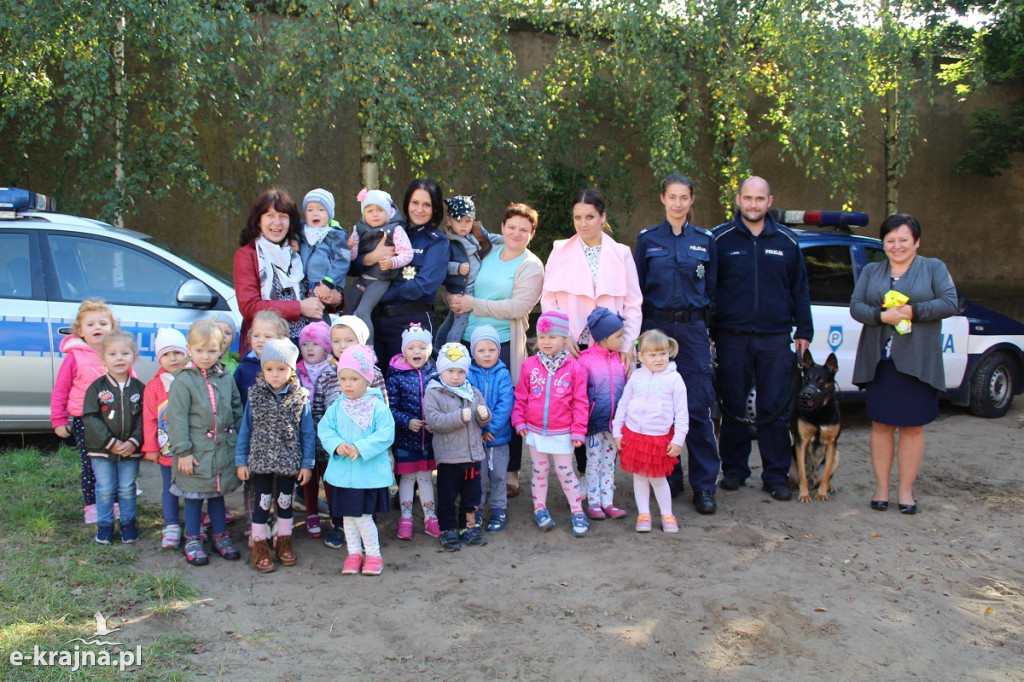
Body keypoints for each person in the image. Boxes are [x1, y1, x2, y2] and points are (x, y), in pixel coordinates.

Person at [712, 176, 812, 502]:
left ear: (770, 202)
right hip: (731, 337)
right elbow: (709, 291)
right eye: (748, 198)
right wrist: (710, 331)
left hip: (775, 338)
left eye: (760, 199)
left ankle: (775, 475)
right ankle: (735, 471)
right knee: (732, 407)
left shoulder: (787, 241)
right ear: (738, 200)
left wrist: (805, 331)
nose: (753, 204)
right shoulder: (719, 240)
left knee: (774, 409)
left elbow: (800, 290)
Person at [851, 214, 958, 515]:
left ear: (916, 242)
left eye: (903, 240)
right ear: (883, 243)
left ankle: (906, 492)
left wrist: (914, 310)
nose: (896, 246)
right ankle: (881, 489)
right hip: (880, 362)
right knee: (881, 424)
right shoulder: (872, 270)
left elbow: (950, 302)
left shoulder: (933, 267)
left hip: (917, 361)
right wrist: (880, 317)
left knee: (912, 427)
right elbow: (856, 306)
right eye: (890, 240)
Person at [541, 188, 643, 475]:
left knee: (607, 408)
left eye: (589, 217)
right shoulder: (561, 250)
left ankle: (605, 478)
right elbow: (549, 298)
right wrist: (563, 335)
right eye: (577, 217)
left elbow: (633, 303)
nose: (583, 224)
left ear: (603, 217)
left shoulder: (621, 253)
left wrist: (627, 346)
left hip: (610, 348)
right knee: (578, 408)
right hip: (574, 345)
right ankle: (584, 474)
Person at [634, 173, 720, 514]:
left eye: (684, 197)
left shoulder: (704, 241)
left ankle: (704, 486)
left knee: (698, 408)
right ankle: (670, 475)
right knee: (658, 406)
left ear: (692, 200)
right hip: (656, 330)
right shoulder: (647, 240)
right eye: (673, 197)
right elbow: (636, 289)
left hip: (693, 331)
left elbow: (712, 289)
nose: (678, 203)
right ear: (663, 199)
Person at [448, 202, 544, 499]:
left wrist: (473, 304)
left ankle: (511, 470)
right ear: (503, 227)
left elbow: (518, 307)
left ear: (532, 234)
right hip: (467, 339)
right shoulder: (489, 250)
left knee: (506, 405)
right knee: (465, 403)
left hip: (503, 344)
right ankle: (468, 464)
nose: (516, 233)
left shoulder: (531, 265)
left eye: (524, 230)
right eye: (511, 227)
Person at [166, 320, 243, 567]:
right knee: (193, 496)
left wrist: (240, 444)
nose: (206, 356)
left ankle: (220, 535)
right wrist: (183, 452)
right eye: (200, 351)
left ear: (221, 350)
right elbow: (176, 419)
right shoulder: (183, 381)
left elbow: (236, 410)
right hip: (195, 451)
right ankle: (193, 537)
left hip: (222, 450)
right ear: (189, 349)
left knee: (217, 494)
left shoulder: (226, 378)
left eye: (212, 351)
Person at [347, 178, 449, 367]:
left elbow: (424, 286)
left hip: (410, 325)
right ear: (406, 204)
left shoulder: (436, 242)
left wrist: (379, 294)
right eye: (415, 203)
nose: (419, 209)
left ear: (435, 209)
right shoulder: (386, 228)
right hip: (374, 322)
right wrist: (370, 258)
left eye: (426, 205)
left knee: (407, 387)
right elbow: (352, 268)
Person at [235, 339, 315, 572]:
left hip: (289, 462)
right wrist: (241, 460)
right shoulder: (255, 396)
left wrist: (307, 464)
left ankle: (284, 541)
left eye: (281, 369)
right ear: (262, 370)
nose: (275, 375)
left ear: (291, 370)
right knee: (261, 503)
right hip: (260, 462)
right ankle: (260, 545)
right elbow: (246, 429)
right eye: (269, 369)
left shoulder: (300, 396)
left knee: (285, 503)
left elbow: (307, 433)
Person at [318, 345, 396, 576]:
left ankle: (373, 555)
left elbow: (386, 434)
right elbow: (326, 429)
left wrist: (361, 448)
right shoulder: (337, 406)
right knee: (348, 518)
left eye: (354, 378)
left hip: (367, 475)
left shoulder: (377, 407)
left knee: (362, 517)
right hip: (343, 475)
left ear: (367, 380)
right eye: (343, 378)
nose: (348, 384)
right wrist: (336, 445)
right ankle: (353, 554)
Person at [511, 310, 590, 538]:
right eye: (542, 337)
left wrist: (578, 430)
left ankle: (577, 510)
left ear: (564, 339)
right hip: (535, 431)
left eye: (552, 337)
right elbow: (522, 396)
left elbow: (580, 402)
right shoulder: (529, 365)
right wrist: (519, 420)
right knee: (539, 470)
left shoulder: (575, 368)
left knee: (565, 472)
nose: (546, 342)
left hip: (563, 431)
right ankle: (540, 508)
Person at [50, 299, 121, 524]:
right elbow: (61, 390)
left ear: (112, 328)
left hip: (116, 419)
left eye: (103, 323)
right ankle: (93, 506)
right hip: (85, 420)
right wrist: (59, 419)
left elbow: (132, 384)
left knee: (116, 460)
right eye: (90, 325)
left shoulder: (118, 354)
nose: (97, 328)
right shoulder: (75, 357)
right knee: (92, 464)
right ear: (80, 331)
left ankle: (116, 503)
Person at [612, 329, 689, 533]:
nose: (659, 359)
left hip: (658, 439)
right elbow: (623, 404)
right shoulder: (636, 377)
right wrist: (617, 431)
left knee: (658, 478)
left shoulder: (675, 379)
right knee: (639, 476)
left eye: (662, 354)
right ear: (641, 356)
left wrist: (679, 439)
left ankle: (667, 515)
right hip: (635, 436)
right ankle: (643, 514)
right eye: (653, 355)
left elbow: (682, 413)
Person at [234, 188, 325, 352]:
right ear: (258, 220)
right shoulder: (247, 255)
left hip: (306, 347)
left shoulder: (298, 250)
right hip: (266, 348)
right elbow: (249, 307)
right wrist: (299, 308)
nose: (277, 223)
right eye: (270, 215)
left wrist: (336, 298)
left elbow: (315, 294)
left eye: (283, 216)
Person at [423, 342, 492, 551]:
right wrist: (458, 417)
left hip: (472, 456)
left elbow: (484, 419)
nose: (455, 376)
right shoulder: (434, 392)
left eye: (461, 371)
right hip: (449, 458)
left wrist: (484, 415)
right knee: (447, 496)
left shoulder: (472, 391)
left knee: (472, 496)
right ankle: (448, 530)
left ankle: (468, 527)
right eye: (450, 371)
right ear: (441, 370)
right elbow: (434, 422)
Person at [81, 330, 146, 545]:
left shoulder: (139, 388)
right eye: (113, 354)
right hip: (102, 450)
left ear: (134, 357)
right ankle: (105, 525)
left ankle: (128, 523)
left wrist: (133, 442)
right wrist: (110, 442)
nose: (119, 358)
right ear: (103, 359)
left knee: (127, 488)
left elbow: (145, 418)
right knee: (105, 488)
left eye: (125, 353)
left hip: (130, 450)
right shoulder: (96, 388)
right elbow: (90, 418)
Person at [385, 324, 438, 540]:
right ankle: (405, 517)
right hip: (406, 439)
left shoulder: (435, 374)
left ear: (429, 349)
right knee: (406, 479)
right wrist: (407, 422)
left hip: (429, 440)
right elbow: (391, 408)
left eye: (422, 347)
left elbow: (441, 403)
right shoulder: (395, 377)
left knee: (425, 478)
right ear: (403, 351)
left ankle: (430, 517)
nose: (417, 352)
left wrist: (436, 422)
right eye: (411, 348)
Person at [576, 307, 628, 520]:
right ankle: (594, 502)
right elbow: (580, 394)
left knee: (608, 464)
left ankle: (608, 501)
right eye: (619, 336)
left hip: (614, 426)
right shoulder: (585, 361)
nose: (623, 340)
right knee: (593, 463)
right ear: (604, 338)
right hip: (594, 424)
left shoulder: (620, 360)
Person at [344, 188, 413, 342]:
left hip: (381, 279)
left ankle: (369, 350)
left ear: (388, 212)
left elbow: (407, 254)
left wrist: (392, 262)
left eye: (380, 210)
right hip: (363, 277)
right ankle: (343, 349)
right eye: (369, 210)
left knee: (363, 311)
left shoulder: (396, 229)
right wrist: (349, 248)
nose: (374, 214)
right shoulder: (358, 228)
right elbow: (353, 258)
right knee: (346, 311)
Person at [142, 327, 189, 548]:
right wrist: (151, 446)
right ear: (159, 357)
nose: (173, 358)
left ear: (186, 354)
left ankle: (193, 525)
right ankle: (171, 525)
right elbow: (150, 418)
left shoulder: (193, 380)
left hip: (191, 449)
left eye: (178, 353)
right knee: (169, 488)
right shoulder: (154, 387)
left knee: (192, 488)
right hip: (167, 449)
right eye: (167, 354)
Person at [466, 325, 515, 532]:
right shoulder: (468, 374)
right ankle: (476, 509)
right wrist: (478, 430)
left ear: (498, 351)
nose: (487, 355)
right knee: (477, 477)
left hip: (498, 438)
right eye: (481, 350)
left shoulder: (503, 374)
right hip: (476, 438)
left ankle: (498, 509)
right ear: (472, 352)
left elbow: (505, 404)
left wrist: (490, 428)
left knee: (498, 477)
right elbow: (467, 402)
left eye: (492, 350)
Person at [436, 195, 503, 344]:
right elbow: (440, 266)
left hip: (472, 286)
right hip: (463, 289)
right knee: (460, 323)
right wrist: (457, 268)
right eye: (458, 221)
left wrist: (507, 238)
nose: (463, 225)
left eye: (468, 221)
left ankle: (438, 346)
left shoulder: (473, 234)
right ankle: (450, 349)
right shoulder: (447, 241)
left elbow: (490, 238)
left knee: (452, 320)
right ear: (449, 221)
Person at [297, 188, 347, 311]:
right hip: (304, 284)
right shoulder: (302, 231)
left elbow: (343, 260)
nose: (315, 213)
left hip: (324, 284)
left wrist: (328, 282)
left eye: (321, 209)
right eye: (310, 210)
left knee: (316, 315)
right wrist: (293, 239)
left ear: (329, 214)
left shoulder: (336, 236)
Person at [234, 310, 289, 405]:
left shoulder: (286, 365)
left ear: (279, 338)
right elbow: (235, 398)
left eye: (267, 336)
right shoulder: (244, 367)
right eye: (256, 336)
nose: (260, 340)